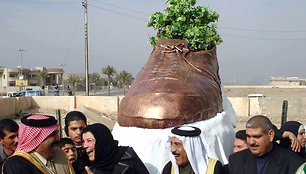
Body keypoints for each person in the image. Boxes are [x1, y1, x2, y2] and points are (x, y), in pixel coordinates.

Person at [228, 115, 306, 174]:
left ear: (271, 135)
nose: (251, 142)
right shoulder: (236, 161)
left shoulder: (294, 163)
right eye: (248, 136)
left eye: (257, 136)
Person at [2, 114, 75, 174]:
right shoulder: (16, 164)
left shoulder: (60, 154)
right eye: (53, 134)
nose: (58, 138)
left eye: (57, 133)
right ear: (36, 138)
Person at [82, 123, 149, 174]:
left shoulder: (127, 158)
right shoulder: (88, 168)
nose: (85, 146)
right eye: (83, 141)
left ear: (102, 142)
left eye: (89, 140)